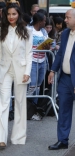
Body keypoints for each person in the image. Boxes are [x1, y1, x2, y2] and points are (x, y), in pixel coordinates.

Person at [0, 0, 32, 147]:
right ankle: (0, 137)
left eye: (14, 14)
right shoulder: (1, 30)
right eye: (8, 14)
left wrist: (28, 71)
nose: (11, 17)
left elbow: (29, 53)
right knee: (3, 103)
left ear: (19, 14)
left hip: (21, 69)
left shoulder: (27, 31)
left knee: (20, 103)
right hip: (4, 69)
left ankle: (18, 137)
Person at [48, 9, 75, 150]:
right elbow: (60, 54)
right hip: (65, 78)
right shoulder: (64, 34)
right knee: (64, 109)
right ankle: (63, 140)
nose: (65, 20)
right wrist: (53, 70)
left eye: (68, 17)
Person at [27, 12, 49, 121]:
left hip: (42, 60)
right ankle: (29, 106)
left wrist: (49, 45)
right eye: (44, 20)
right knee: (32, 85)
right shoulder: (28, 30)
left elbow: (49, 43)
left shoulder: (44, 31)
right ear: (39, 21)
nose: (45, 22)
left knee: (38, 85)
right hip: (32, 60)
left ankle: (34, 107)